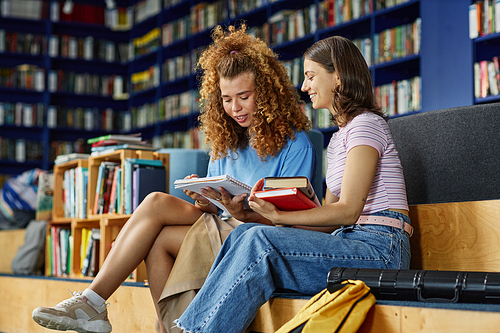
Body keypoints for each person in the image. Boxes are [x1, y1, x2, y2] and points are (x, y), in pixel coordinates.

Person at [32, 24, 317, 333]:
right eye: (226, 99)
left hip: (259, 232)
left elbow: (293, 222)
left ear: (265, 92)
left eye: (244, 96)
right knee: (155, 204)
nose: (235, 108)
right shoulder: (227, 140)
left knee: (160, 241)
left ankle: (97, 306)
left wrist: (244, 212)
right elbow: (216, 207)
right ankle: (98, 304)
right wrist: (206, 198)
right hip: (223, 222)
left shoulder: (295, 143)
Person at [173, 35, 412, 333]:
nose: (304, 86)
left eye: (311, 76)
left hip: (381, 249)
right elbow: (330, 218)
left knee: (258, 241)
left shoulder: (366, 124)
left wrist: (280, 217)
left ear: (337, 77)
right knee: (248, 232)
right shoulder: (338, 139)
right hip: (349, 242)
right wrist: (256, 215)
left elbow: (349, 210)